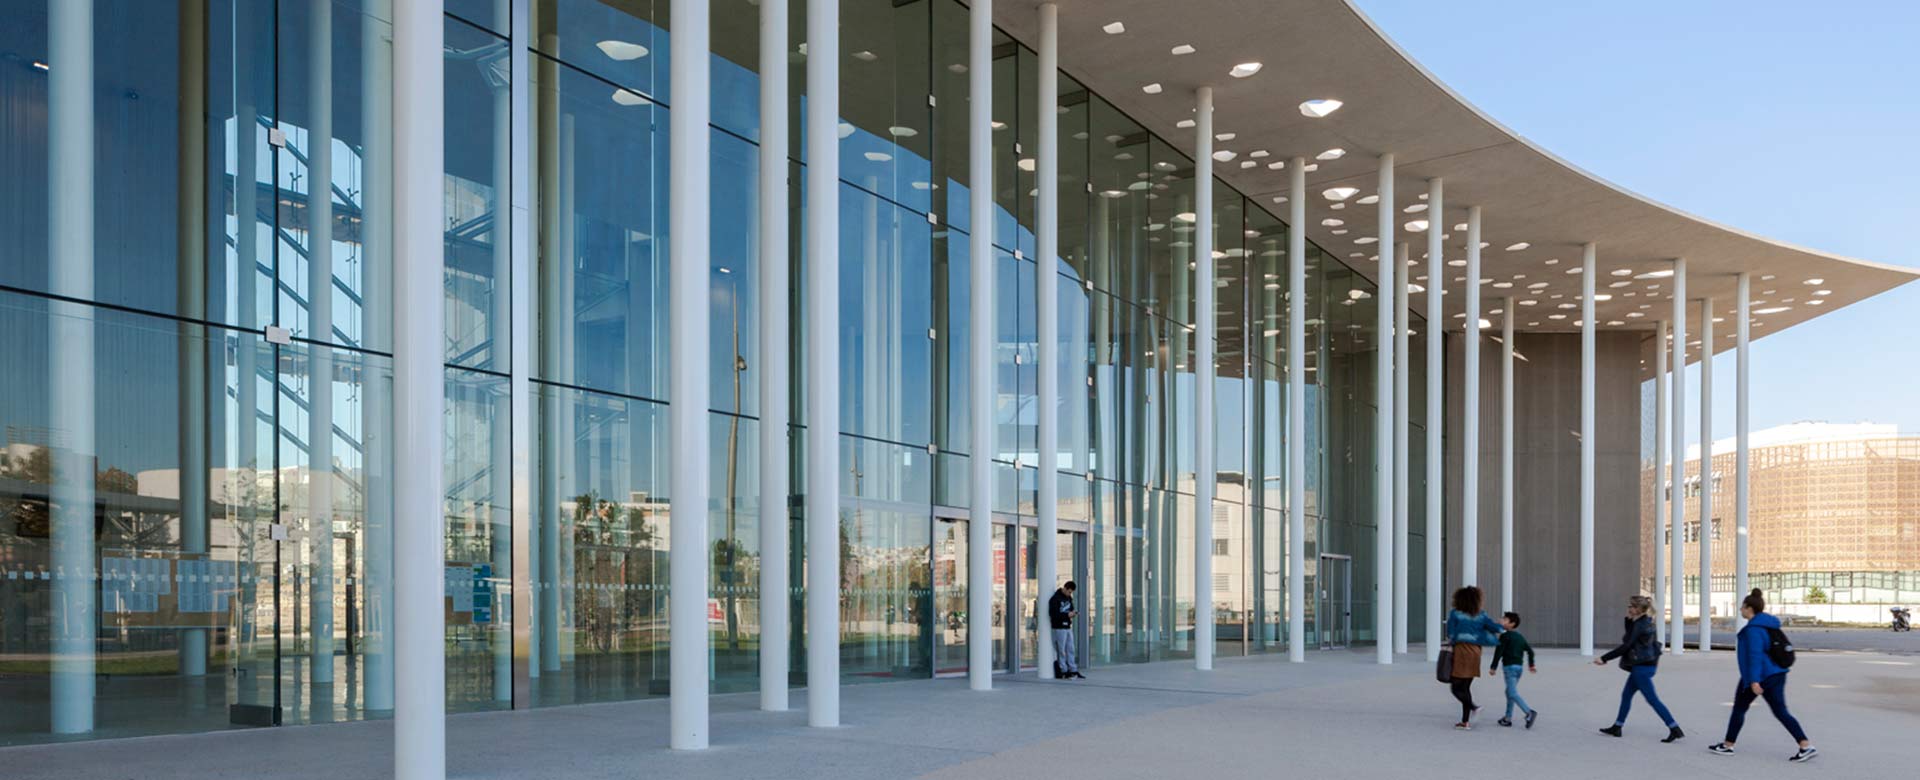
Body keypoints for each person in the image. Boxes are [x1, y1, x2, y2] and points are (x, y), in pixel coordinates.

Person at [1708, 589, 1817, 762]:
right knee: (1780, 711)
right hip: (1777, 673)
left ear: (1749, 608)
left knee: (1740, 708)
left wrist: (1754, 681)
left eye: (1742, 607)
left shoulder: (1754, 629)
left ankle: (1728, 746)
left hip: (1760, 676)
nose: (1740, 610)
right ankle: (1805, 745)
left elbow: (1755, 656)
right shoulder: (1768, 624)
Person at [1595, 594, 1683, 743]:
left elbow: (1626, 645)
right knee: (1626, 695)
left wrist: (1604, 658)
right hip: (1643, 666)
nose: (1628, 608)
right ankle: (1617, 726)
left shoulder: (1640, 625)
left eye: (1631, 606)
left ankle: (1674, 728)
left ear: (1638, 609)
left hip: (1642, 668)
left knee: (1652, 700)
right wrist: (1628, 619)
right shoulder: (1644, 621)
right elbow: (1630, 637)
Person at [1446, 586, 1503, 730]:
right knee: (1466, 687)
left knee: (1456, 688)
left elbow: (1450, 634)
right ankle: (1465, 722)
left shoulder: (1455, 614)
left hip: (1461, 651)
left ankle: (1474, 708)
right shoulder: (1481, 615)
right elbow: (1495, 628)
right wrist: (1503, 627)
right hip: (1476, 652)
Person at [1488, 611, 1538, 729]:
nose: (1501, 620)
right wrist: (1531, 665)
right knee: (1509, 692)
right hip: (1519, 668)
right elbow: (1530, 651)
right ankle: (1507, 718)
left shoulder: (1504, 636)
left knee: (1512, 693)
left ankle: (1529, 712)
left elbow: (1498, 652)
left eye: (1504, 619)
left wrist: (1493, 667)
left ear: (1512, 624)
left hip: (1509, 668)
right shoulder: (1520, 637)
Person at [1048, 581, 1082, 679]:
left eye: (1071, 592)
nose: (1070, 594)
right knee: (1061, 650)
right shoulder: (1055, 599)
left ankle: (1073, 670)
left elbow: (1071, 609)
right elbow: (1053, 615)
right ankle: (1064, 670)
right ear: (1065, 588)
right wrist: (1067, 615)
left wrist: (1073, 613)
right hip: (1058, 627)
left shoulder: (1068, 598)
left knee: (1070, 649)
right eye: (1069, 592)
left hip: (1067, 627)